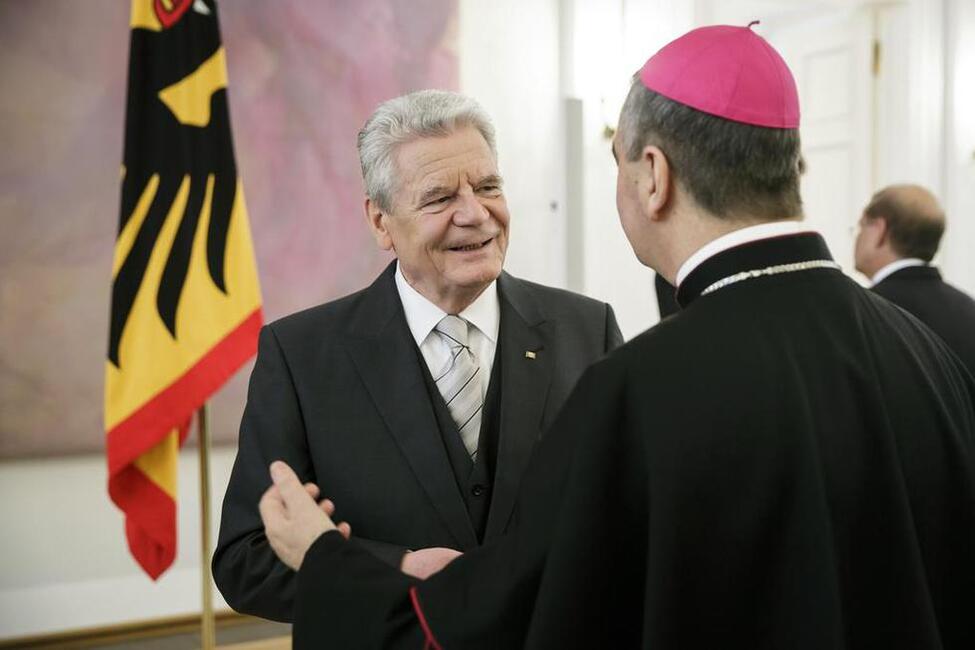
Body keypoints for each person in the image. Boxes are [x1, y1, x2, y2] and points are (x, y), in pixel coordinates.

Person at [259, 25, 975, 649]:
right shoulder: (927, 356)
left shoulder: (640, 386)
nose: (474, 215)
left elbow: (510, 622)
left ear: (653, 175)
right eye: (441, 196)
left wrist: (327, 560)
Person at [213, 90, 623, 621]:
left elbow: (630, 520)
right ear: (381, 222)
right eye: (438, 199)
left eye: (488, 186)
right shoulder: (301, 357)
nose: (475, 214)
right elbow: (246, 561)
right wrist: (397, 569)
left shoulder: (588, 330)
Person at [854, 183, 975, 376]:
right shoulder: (968, 309)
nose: (857, 237)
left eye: (861, 226)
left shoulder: (861, 311)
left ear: (880, 230)